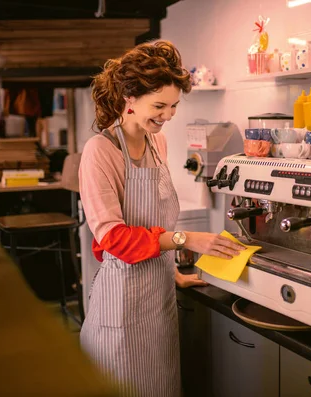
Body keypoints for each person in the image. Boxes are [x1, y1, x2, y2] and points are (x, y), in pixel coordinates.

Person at [78, 40, 244, 397]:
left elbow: (154, 220)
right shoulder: (100, 152)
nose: (168, 115)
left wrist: (173, 273)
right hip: (120, 307)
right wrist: (186, 239)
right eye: (159, 106)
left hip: (159, 301)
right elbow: (114, 239)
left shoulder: (159, 143)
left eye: (173, 106)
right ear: (129, 99)